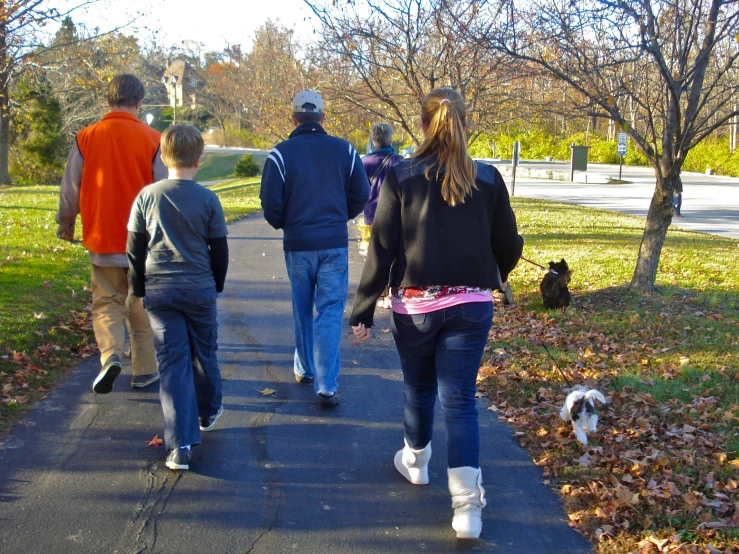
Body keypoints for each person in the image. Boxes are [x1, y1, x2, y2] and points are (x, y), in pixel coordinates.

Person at [349, 88, 523, 539]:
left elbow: (382, 246)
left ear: (424, 126)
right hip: (471, 307)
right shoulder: (487, 178)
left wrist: (364, 309)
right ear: (465, 123)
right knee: (461, 400)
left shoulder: (402, 175)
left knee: (419, 388)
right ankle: (467, 509)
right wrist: (494, 271)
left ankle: (416, 462)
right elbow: (510, 245)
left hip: (416, 307)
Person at [127, 124, 229, 471]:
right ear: (199, 159)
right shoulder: (208, 199)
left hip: (160, 290)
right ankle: (209, 408)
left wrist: (139, 288)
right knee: (204, 352)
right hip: (199, 287)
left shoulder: (147, 196)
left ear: (162, 155)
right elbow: (220, 250)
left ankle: (179, 445)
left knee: (172, 365)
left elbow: (134, 249)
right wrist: (217, 283)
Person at [260, 90, 370, 407]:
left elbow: (270, 203)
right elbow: (360, 194)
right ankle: (327, 385)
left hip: (298, 244)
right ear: (323, 118)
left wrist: (287, 223)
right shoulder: (344, 151)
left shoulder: (280, 154)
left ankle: (305, 367)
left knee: (302, 305)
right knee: (330, 312)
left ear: (293, 118)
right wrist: (339, 217)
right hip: (333, 242)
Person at [56, 74, 164, 394]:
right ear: (140, 102)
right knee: (140, 302)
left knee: (105, 302)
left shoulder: (86, 137)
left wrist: (66, 222)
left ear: (108, 100)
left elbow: (70, 187)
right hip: (142, 240)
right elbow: (162, 190)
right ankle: (144, 370)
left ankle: (110, 355)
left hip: (102, 235)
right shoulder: (154, 139)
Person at [360, 123, 404, 309]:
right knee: (394, 256)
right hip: (396, 216)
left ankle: (380, 294)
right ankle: (392, 294)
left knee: (375, 258)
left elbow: (359, 190)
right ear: (391, 139)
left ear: (373, 139)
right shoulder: (399, 161)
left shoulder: (364, 162)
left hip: (372, 217)